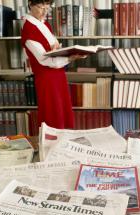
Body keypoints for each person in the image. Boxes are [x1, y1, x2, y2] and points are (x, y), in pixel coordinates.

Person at [21, 0, 85, 129]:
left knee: (62, 111)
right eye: (40, 7)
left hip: (58, 75)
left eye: (47, 7)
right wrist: (70, 58)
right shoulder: (29, 29)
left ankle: (62, 145)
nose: (44, 11)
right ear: (30, 5)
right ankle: (51, 146)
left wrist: (58, 50)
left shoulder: (45, 24)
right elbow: (45, 60)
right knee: (52, 114)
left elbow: (54, 49)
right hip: (47, 79)